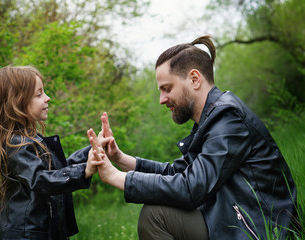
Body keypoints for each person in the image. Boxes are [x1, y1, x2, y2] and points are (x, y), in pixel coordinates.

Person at [88, 35, 297, 240]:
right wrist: (120, 158)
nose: (162, 100)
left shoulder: (228, 120)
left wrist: (115, 176)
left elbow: (191, 188)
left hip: (261, 228)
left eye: (167, 89)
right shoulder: (210, 121)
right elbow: (176, 173)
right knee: (156, 213)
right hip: (230, 219)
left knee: (155, 216)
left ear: (194, 79)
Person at [0, 66, 101, 239]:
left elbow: (57, 171)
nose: (47, 98)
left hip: (42, 230)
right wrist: (84, 171)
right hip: (27, 234)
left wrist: (93, 150)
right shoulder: (15, 145)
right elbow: (41, 179)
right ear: (17, 102)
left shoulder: (29, 139)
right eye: (39, 94)